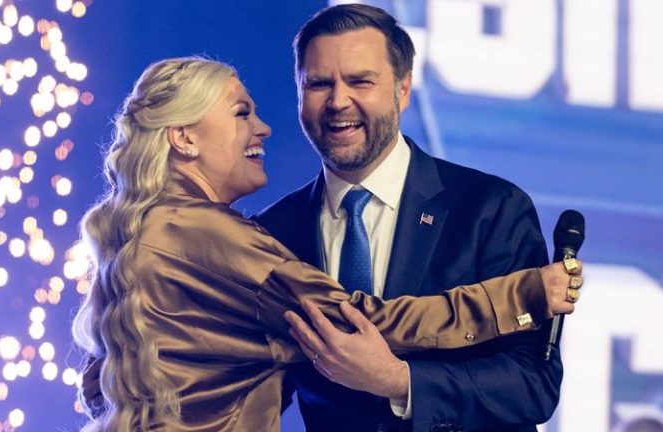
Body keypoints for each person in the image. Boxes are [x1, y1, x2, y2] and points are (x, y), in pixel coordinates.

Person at [71, 56, 583, 431]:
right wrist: (519, 296)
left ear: (403, 88)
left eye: (360, 80)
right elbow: (356, 325)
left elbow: (99, 385)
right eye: (241, 113)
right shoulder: (230, 234)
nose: (262, 128)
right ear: (184, 137)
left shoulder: (140, 233)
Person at [252, 3, 564, 432]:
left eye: (360, 81)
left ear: (403, 89)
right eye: (319, 83)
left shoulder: (490, 208)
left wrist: (400, 381)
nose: (338, 101)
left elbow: (533, 385)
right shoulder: (272, 234)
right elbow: (256, 388)